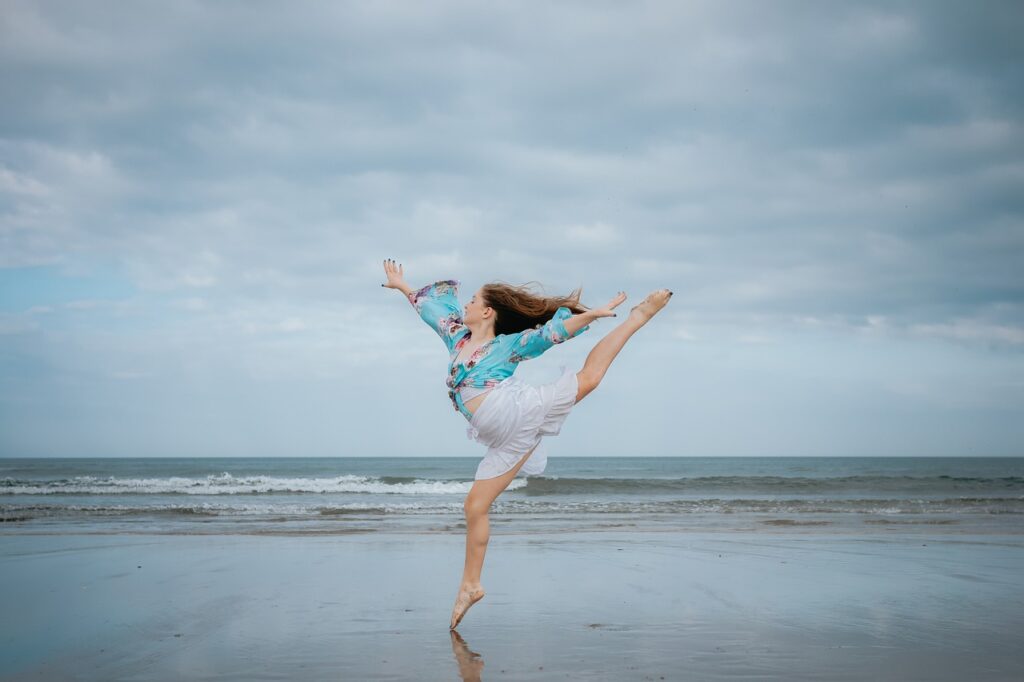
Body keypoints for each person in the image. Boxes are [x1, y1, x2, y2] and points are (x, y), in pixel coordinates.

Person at [381, 258, 672, 629]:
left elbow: (552, 334)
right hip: (501, 440)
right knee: (474, 507)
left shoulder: (509, 345)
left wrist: (591, 316)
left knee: (589, 379)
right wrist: (403, 286)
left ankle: (637, 318)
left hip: (518, 412)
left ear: (487, 311)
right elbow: (429, 310)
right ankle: (470, 585)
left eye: (472, 300)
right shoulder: (456, 335)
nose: (465, 304)